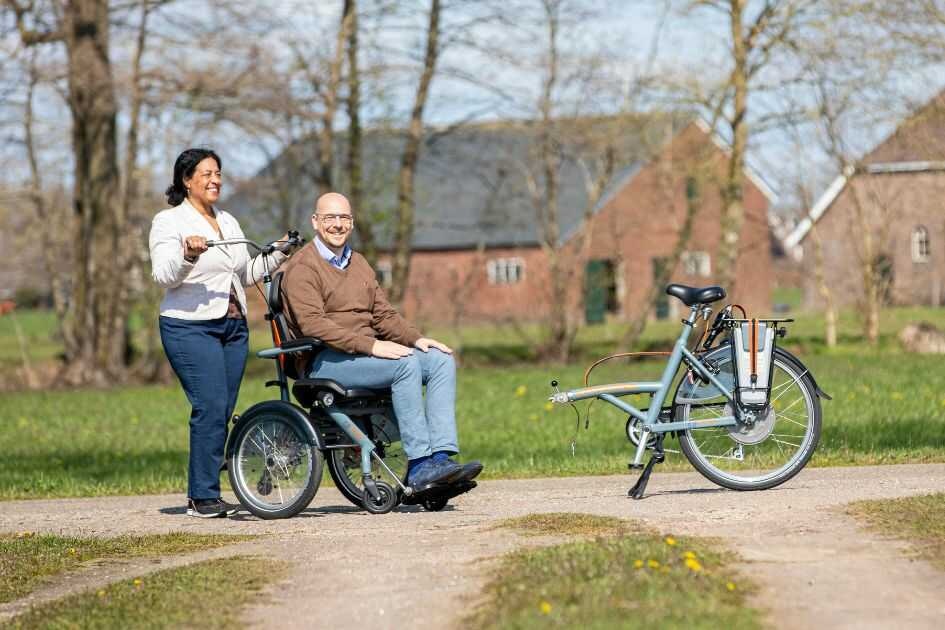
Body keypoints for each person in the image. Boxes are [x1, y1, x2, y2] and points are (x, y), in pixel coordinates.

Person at [281, 192, 482, 491]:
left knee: (440, 361)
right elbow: (314, 325)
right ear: (315, 222)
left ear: (352, 222)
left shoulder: (358, 262)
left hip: (363, 355)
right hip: (324, 359)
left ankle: (441, 459)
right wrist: (372, 346)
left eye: (344, 218)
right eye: (330, 218)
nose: (337, 225)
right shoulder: (302, 268)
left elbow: (383, 316)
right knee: (405, 364)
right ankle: (419, 466)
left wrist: (418, 339)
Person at [149, 148, 293, 518]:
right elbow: (163, 275)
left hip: (232, 326)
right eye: (207, 174)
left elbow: (245, 274)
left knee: (223, 408)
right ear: (186, 180)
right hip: (189, 327)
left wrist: (278, 252)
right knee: (210, 406)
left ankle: (206, 489)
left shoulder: (228, 221)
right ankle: (202, 496)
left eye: (218, 173)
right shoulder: (169, 222)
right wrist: (189, 255)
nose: (216, 180)